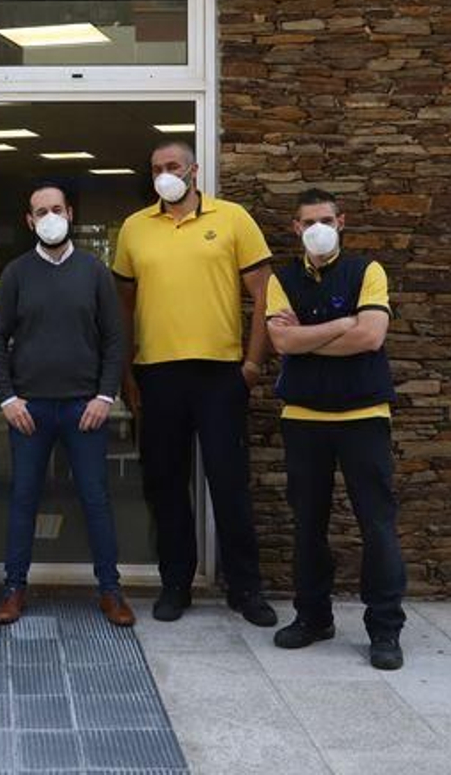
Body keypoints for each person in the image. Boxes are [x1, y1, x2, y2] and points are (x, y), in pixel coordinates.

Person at [113, 140, 277, 626]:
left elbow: (264, 292)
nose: (165, 174)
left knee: (229, 483)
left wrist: (251, 363)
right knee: (164, 483)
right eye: (157, 167)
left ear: (194, 171)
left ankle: (245, 589)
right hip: (158, 373)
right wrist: (128, 372)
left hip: (220, 372)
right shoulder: (134, 228)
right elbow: (125, 306)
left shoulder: (231, 219)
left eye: (173, 166)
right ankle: (175, 584)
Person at [265, 188, 406, 671]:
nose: (317, 228)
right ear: (295, 228)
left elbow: (371, 335)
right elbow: (280, 339)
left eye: (325, 219)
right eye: (307, 222)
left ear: (341, 222)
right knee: (308, 526)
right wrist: (339, 324)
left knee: (378, 526)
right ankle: (312, 617)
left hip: (364, 417)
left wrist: (308, 337)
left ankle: (385, 629)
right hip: (303, 419)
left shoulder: (367, 271)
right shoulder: (281, 280)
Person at [0, 183, 134, 628]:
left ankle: (110, 591)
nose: (49, 217)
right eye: (39, 211)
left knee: (96, 500)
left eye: (56, 209)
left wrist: (105, 395)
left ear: (69, 213)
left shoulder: (94, 272)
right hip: (28, 411)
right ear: (29, 221)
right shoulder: (16, 274)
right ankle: (14, 589)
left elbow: (115, 339)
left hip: (83, 409)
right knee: (23, 500)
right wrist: (7, 398)